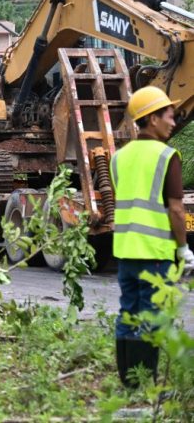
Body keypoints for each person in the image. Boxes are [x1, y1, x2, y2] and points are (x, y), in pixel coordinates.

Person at [110, 86, 194, 388]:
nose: (173, 122)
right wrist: (184, 248)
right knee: (152, 317)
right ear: (153, 118)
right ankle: (146, 385)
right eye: (169, 116)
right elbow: (175, 209)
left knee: (127, 314)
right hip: (155, 254)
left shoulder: (119, 158)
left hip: (125, 252)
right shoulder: (166, 156)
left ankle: (129, 384)